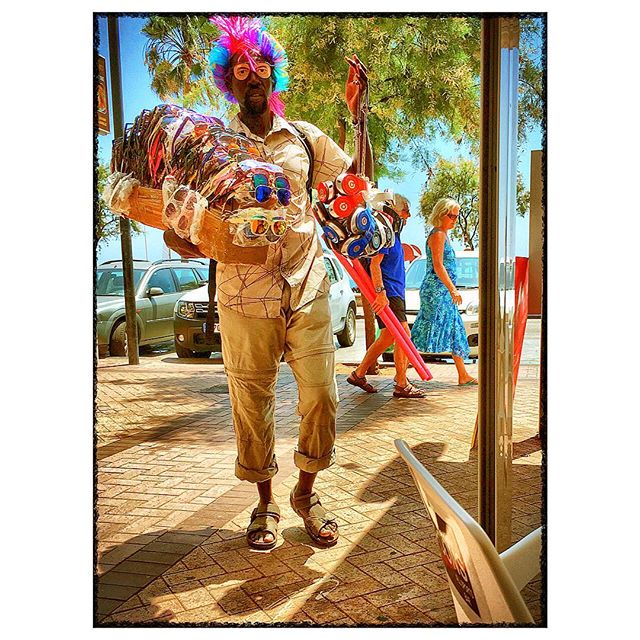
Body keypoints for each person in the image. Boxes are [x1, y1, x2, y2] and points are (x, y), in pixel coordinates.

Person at [192, 17, 372, 550]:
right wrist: (189, 231)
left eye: (261, 68)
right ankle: (266, 502)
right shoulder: (211, 145)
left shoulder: (303, 138)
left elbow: (355, 180)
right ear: (229, 79)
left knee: (321, 396)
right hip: (243, 292)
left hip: (306, 282)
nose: (253, 78)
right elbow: (183, 218)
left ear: (274, 76)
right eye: (241, 70)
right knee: (252, 403)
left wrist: (358, 116)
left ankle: (305, 493)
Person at [347, 195, 427, 398]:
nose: (408, 215)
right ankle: (401, 383)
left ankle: (358, 374)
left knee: (387, 337)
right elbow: (375, 264)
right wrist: (380, 293)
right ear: (392, 209)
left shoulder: (393, 233)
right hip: (389, 292)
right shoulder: (384, 231)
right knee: (403, 336)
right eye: (405, 210)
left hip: (394, 291)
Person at [411, 197, 477, 386]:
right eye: (451, 216)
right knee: (424, 330)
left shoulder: (443, 235)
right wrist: (453, 289)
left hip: (444, 292)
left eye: (457, 216)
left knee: (455, 328)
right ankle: (401, 371)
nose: (455, 220)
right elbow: (438, 266)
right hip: (436, 292)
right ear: (441, 215)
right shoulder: (438, 234)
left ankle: (463, 374)